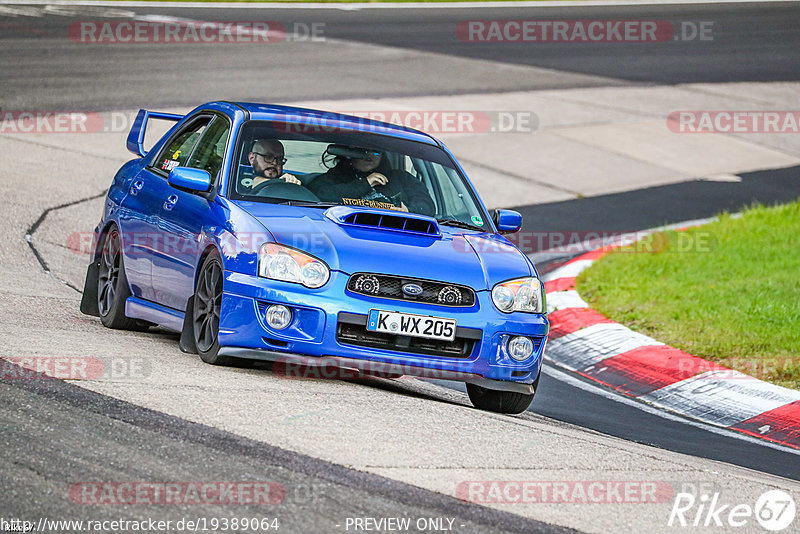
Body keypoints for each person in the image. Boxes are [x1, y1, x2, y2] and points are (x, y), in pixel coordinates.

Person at [308, 148, 435, 216]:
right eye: (363, 151)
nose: (370, 156)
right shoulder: (337, 176)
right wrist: (365, 184)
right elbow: (318, 194)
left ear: (383, 155)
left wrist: (408, 211)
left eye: (376, 151)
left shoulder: (402, 178)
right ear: (351, 153)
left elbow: (427, 206)